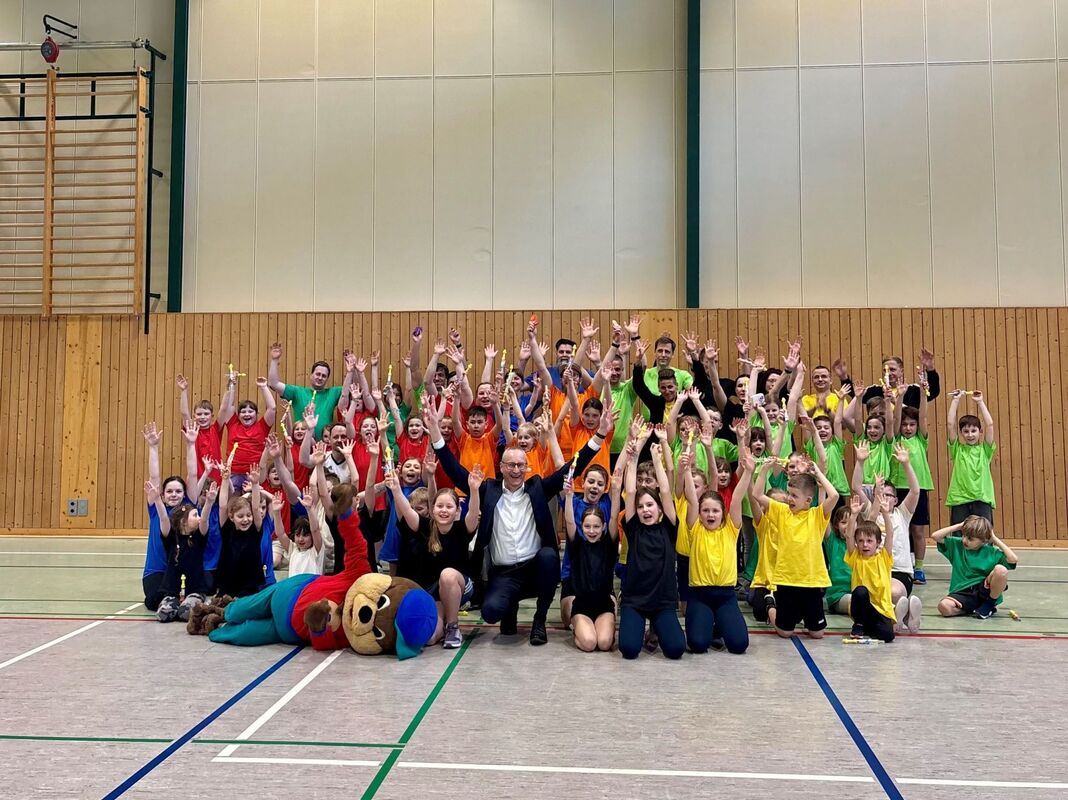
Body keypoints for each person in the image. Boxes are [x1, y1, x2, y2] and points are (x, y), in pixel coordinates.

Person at [429, 393, 611, 645]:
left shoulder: (537, 488)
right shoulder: (488, 490)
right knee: (491, 612)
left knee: (549, 556)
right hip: (503, 573)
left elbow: (573, 466)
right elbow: (454, 469)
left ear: (527, 468)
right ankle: (510, 604)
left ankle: (539, 619)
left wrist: (600, 434)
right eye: (510, 465)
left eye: (520, 466)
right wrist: (435, 433)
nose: (516, 470)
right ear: (502, 467)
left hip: (534, 567)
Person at [200, 507, 370, 647]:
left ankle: (217, 628)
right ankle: (223, 612)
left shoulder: (316, 551)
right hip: (289, 589)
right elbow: (281, 534)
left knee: (245, 634)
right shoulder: (293, 548)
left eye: (305, 535)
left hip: (287, 628)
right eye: (298, 535)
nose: (301, 539)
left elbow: (316, 530)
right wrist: (347, 514)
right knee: (242, 608)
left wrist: (318, 627)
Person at [387, 466, 478, 649]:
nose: (444, 510)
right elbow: (407, 510)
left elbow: (473, 514)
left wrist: (474, 490)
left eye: (449, 507)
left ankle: (453, 627)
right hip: (434, 591)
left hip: (460, 585)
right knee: (429, 638)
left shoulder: (462, 528)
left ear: (457, 510)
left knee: (447, 575)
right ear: (432, 509)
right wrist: (396, 489)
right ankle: (442, 625)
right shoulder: (425, 527)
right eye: (439, 506)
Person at [680, 449, 755, 655]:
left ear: (723, 513)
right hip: (699, 595)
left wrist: (748, 472)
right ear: (699, 513)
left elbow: (737, 498)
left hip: (725, 596)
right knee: (698, 644)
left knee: (739, 645)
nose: (710, 514)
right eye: (706, 510)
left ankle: (718, 623)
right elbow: (692, 498)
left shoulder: (731, 528)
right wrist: (686, 470)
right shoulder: (695, 528)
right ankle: (707, 623)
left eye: (715, 510)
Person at [618, 436, 686, 660]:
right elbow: (630, 491)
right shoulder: (634, 528)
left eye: (650, 505)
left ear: (659, 509)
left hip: (662, 601)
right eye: (641, 507)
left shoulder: (669, 528)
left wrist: (657, 460)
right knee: (629, 650)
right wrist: (634, 457)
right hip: (635, 600)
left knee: (675, 650)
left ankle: (656, 627)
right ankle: (640, 627)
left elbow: (665, 491)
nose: (645, 510)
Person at [753, 462, 839, 639]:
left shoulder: (817, 515)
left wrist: (818, 474)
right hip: (786, 581)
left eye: (794, 495)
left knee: (817, 633)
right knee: (785, 632)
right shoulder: (782, 511)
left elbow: (835, 496)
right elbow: (757, 494)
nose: (789, 499)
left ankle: (802, 615)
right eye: (789, 494)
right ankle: (771, 605)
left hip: (811, 582)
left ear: (808, 500)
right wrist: (763, 470)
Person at [562, 474, 620, 652]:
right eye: (587, 526)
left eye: (596, 526)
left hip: (603, 605)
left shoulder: (609, 545)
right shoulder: (577, 545)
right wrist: (569, 495)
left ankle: (603, 626)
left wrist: (616, 491)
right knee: (589, 643)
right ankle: (579, 630)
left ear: (603, 527)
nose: (592, 531)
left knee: (604, 644)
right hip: (582, 606)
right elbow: (569, 521)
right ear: (582, 527)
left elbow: (614, 517)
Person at [268, 341, 364, 441]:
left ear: (327, 379)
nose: (320, 377)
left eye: (324, 376)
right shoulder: (297, 392)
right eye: (317, 374)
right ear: (311, 375)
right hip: (302, 443)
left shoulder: (333, 392)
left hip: (326, 445)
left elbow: (355, 388)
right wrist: (274, 360)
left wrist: (352, 369)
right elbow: (273, 384)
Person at [151, 480, 219, 622]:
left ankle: (197, 601)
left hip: (195, 588)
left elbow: (204, 520)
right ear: (183, 521)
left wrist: (209, 502)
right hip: (172, 589)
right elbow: (163, 518)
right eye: (195, 515)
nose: (199, 518)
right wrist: (157, 500)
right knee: (164, 614)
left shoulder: (199, 537)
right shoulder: (171, 538)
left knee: (185, 613)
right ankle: (174, 602)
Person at [891, 378, 934, 584]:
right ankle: (900, 565)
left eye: (912, 424)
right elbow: (895, 417)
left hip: (919, 489)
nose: (908, 428)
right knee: (899, 529)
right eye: (905, 424)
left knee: (917, 530)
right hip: (898, 488)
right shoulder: (896, 439)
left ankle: (919, 568)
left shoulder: (920, 439)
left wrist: (924, 394)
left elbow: (923, 415)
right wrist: (899, 397)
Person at [934, 516, 1018, 619]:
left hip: (984, 591)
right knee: (944, 607)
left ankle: (989, 605)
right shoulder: (957, 545)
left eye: (970, 539)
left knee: (1001, 570)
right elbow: (936, 536)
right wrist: (959, 526)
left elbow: (1013, 559)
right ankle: (970, 609)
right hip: (962, 591)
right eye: (964, 535)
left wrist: (994, 539)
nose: (965, 540)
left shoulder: (991, 552)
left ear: (984, 540)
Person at [842, 494, 896, 643]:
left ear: (878, 542)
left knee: (888, 636)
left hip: (879, 609)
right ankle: (859, 624)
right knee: (860, 591)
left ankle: (869, 626)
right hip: (861, 606)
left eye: (869, 541)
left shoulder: (884, 558)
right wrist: (853, 515)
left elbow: (890, 534)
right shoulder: (855, 557)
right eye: (861, 541)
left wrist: (885, 513)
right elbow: (849, 536)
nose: (864, 544)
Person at [945, 389, 997, 524]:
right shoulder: (957, 450)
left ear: (980, 432)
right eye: (966, 431)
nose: (970, 435)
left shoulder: (985, 450)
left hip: (981, 498)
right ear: (961, 433)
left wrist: (980, 402)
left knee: (983, 533)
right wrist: (955, 400)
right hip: (959, 499)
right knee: (958, 534)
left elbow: (990, 424)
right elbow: (950, 424)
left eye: (974, 431)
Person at [219, 375, 276, 490]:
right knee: (230, 500)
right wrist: (232, 384)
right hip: (232, 473)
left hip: (254, 474)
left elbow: (272, 408)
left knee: (252, 501)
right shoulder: (233, 424)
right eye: (243, 412)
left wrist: (264, 387)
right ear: (238, 415)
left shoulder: (262, 426)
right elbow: (229, 405)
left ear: (256, 414)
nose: (247, 414)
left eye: (250, 411)